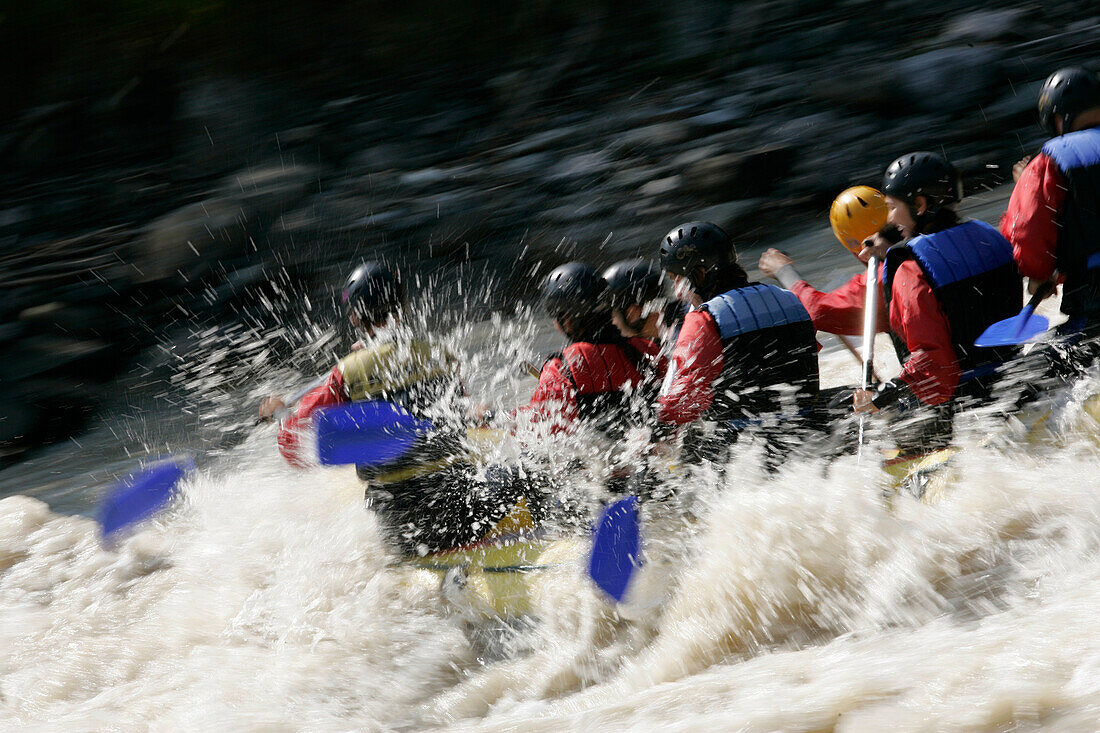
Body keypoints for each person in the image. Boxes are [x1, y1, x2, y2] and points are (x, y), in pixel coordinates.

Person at [274, 262, 521, 554]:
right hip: (464, 513)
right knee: (520, 473)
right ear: (402, 308)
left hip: (401, 528)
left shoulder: (346, 374)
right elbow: (459, 415)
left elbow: (294, 449)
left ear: (354, 318)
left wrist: (280, 414)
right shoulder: (439, 354)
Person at [849, 154, 1021, 450]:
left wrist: (884, 396)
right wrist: (891, 239)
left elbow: (935, 366)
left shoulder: (909, 270)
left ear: (919, 205)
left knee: (864, 429)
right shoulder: (990, 237)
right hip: (1016, 387)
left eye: (892, 208)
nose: (889, 219)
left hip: (960, 416)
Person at [655, 221, 820, 462]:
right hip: (808, 435)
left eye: (676, 280)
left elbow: (683, 402)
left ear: (699, 275)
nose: (678, 294)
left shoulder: (703, 318)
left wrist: (654, 426)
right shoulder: (789, 299)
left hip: (746, 454)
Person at [1001, 66, 1100, 338]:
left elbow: (1027, 227)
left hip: (1093, 290)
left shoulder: (1052, 159)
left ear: (1058, 117)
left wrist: (1038, 273)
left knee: (1058, 366)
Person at [518, 262, 664, 441]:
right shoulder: (648, 351)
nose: (556, 326)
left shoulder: (560, 369)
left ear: (568, 320)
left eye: (556, 318)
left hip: (598, 463)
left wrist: (491, 417)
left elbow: (537, 430)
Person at [758, 186, 892, 337]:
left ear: (857, 250)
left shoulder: (880, 277)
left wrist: (783, 271)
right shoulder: (917, 244)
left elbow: (818, 311)